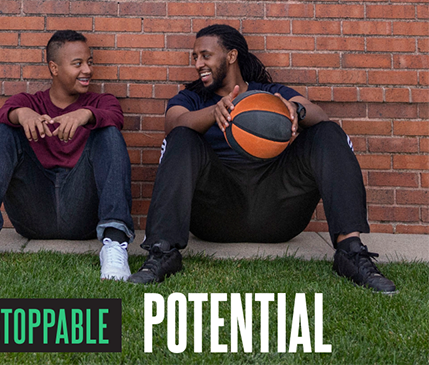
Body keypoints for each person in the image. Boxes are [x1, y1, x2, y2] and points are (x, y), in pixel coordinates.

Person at [128, 24, 396, 294]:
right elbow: (173, 123)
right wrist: (214, 112)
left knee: (327, 132)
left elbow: (319, 115)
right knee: (181, 137)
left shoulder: (270, 93)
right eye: (195, 57)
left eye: (205, 55)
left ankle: (351, 253)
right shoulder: (192, 98)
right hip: (216, 211)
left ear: (231, 56)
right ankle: (162, 253)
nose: (198, 64)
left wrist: (295, 110)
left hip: (278, 209)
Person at [0, 30, 135, 281]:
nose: (87, 70)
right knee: (4, 131)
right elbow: (2, 114)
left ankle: (115, 244)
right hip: (33, 214)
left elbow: (115, 116)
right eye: (77, 64)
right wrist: (22, 114)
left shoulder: (101, 102)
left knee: (108, 131)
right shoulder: (29, 102)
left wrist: (85, 115)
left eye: (89, 62)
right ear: (54, 68)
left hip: (83, 216)